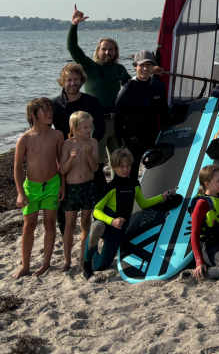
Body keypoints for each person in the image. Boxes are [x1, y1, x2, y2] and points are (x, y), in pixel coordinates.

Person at [82, 148, 171, 278]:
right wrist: (112, 221)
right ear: (114, 167)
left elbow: (143, 203)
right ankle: (86, 263)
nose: (125, 169)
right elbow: (96, 211)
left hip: (118, 230)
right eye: (121, 166)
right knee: (96, 226)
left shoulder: (134, 184)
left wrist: (162, 197)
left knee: (101, 265)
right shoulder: (111, 187)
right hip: (107, 224)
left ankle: (92, 251)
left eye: (128, 166)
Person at [67, 5, 130, 162]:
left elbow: (132, 87)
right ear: (98, 50)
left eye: (111, 49)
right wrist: (74, 25)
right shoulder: (91, 67)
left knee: (120, 160)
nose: (108, 52)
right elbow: (73, 49)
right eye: (104, 49)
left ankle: (118, 186)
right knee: (96, 162)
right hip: (95, 122)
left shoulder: (119, 69)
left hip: (115, 122)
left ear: (115, 52)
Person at [51, 63, 106, 234]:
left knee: (100, 192)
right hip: (66, 157)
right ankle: (64, 230)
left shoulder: (92, 102)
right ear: (62, 82)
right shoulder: (54, 105)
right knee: (62, 197)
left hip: (88, 155)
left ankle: (100, 228)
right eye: (68, 80)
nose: (73, 83)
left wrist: (89, 146)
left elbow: (101, 128)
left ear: (82, 81)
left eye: (76, 80)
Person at [13, 97, 64, 277]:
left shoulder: (57, 135)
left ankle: (46, 263)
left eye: (50, 109)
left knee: (50, 224)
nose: (50, 113)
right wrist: (20, 193)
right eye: (45, 110)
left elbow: (61, 162)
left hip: (52, 184)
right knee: (29, 225)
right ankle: (25, 265)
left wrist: (62, 185)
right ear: (34, 115)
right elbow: (18, 167)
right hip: (31, 187)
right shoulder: (25, 139)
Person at [114, 50, 169, 180]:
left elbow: (164, 111)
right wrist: (120, 143)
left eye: (148, 65)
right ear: (135, 66)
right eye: (141, 65)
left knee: (156, 169)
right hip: (132, 139)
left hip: (152, 136)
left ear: (153, 67)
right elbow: (118, 118)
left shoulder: (158, 86)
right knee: (130, 174)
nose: (145, 68)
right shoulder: (127, 89)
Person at [59, 111, 99, 271]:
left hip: (88, 186)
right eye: (84, 128)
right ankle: (67, 260)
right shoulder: (67, 144)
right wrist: (71, 159)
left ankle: (83, 257)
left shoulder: (93, 143)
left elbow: (95, 168)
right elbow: (62, 170)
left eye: (90, 127)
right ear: (74, 128)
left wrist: (89, 155)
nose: (88, 131)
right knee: (69, 225)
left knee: (85, 223)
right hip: (72, 189)